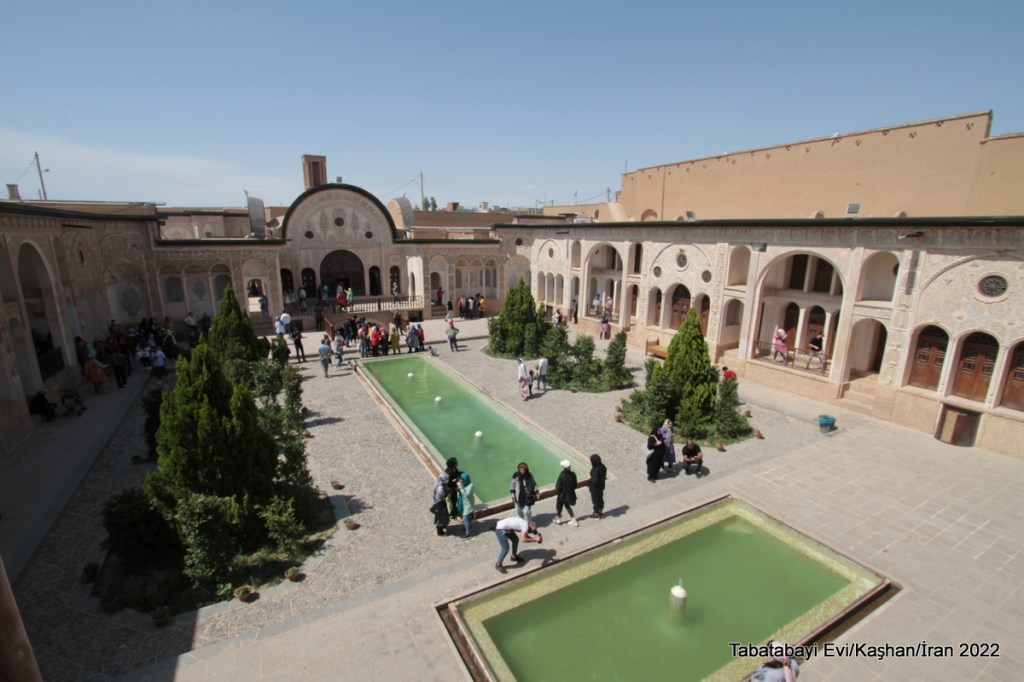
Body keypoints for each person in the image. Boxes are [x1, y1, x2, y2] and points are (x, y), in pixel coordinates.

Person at [554, 460, 579, 526]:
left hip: (562, 494)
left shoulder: (562, 475)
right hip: (570, 494)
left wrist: (559, 491)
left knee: (559, 506)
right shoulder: (573, 474)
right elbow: (575, 485)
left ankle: (558, 518)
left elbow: (558, 486)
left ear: (564, 467)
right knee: (567, 506)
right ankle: (574, 520)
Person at [431, 472, 451, 536]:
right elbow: (443, 495)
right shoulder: (441, 488)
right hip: (439, 504)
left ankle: (444, 525)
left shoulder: (438, 483)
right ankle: (440, 532)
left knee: (443, 515)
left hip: (438, 502)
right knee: (440, 517)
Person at [456, 473, 476, 538]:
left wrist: (461, 487)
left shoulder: (470, 486)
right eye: (460, 481)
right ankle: (469, 527)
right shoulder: (464, 484)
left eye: (462, 481)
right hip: (464, 503)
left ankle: (468, 533)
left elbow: (466, 494)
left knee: (465, 518)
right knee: (468, 517)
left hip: (468, 504)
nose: (461, 482)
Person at [588, 454, 607, 518]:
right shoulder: (603, 466)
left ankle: (596, 513)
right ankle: (600, 510)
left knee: (595, 500)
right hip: (601, 486)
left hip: (595, 488)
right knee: (600, 498)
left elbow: (595, 481)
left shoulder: (596, 470)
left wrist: (590, 478)